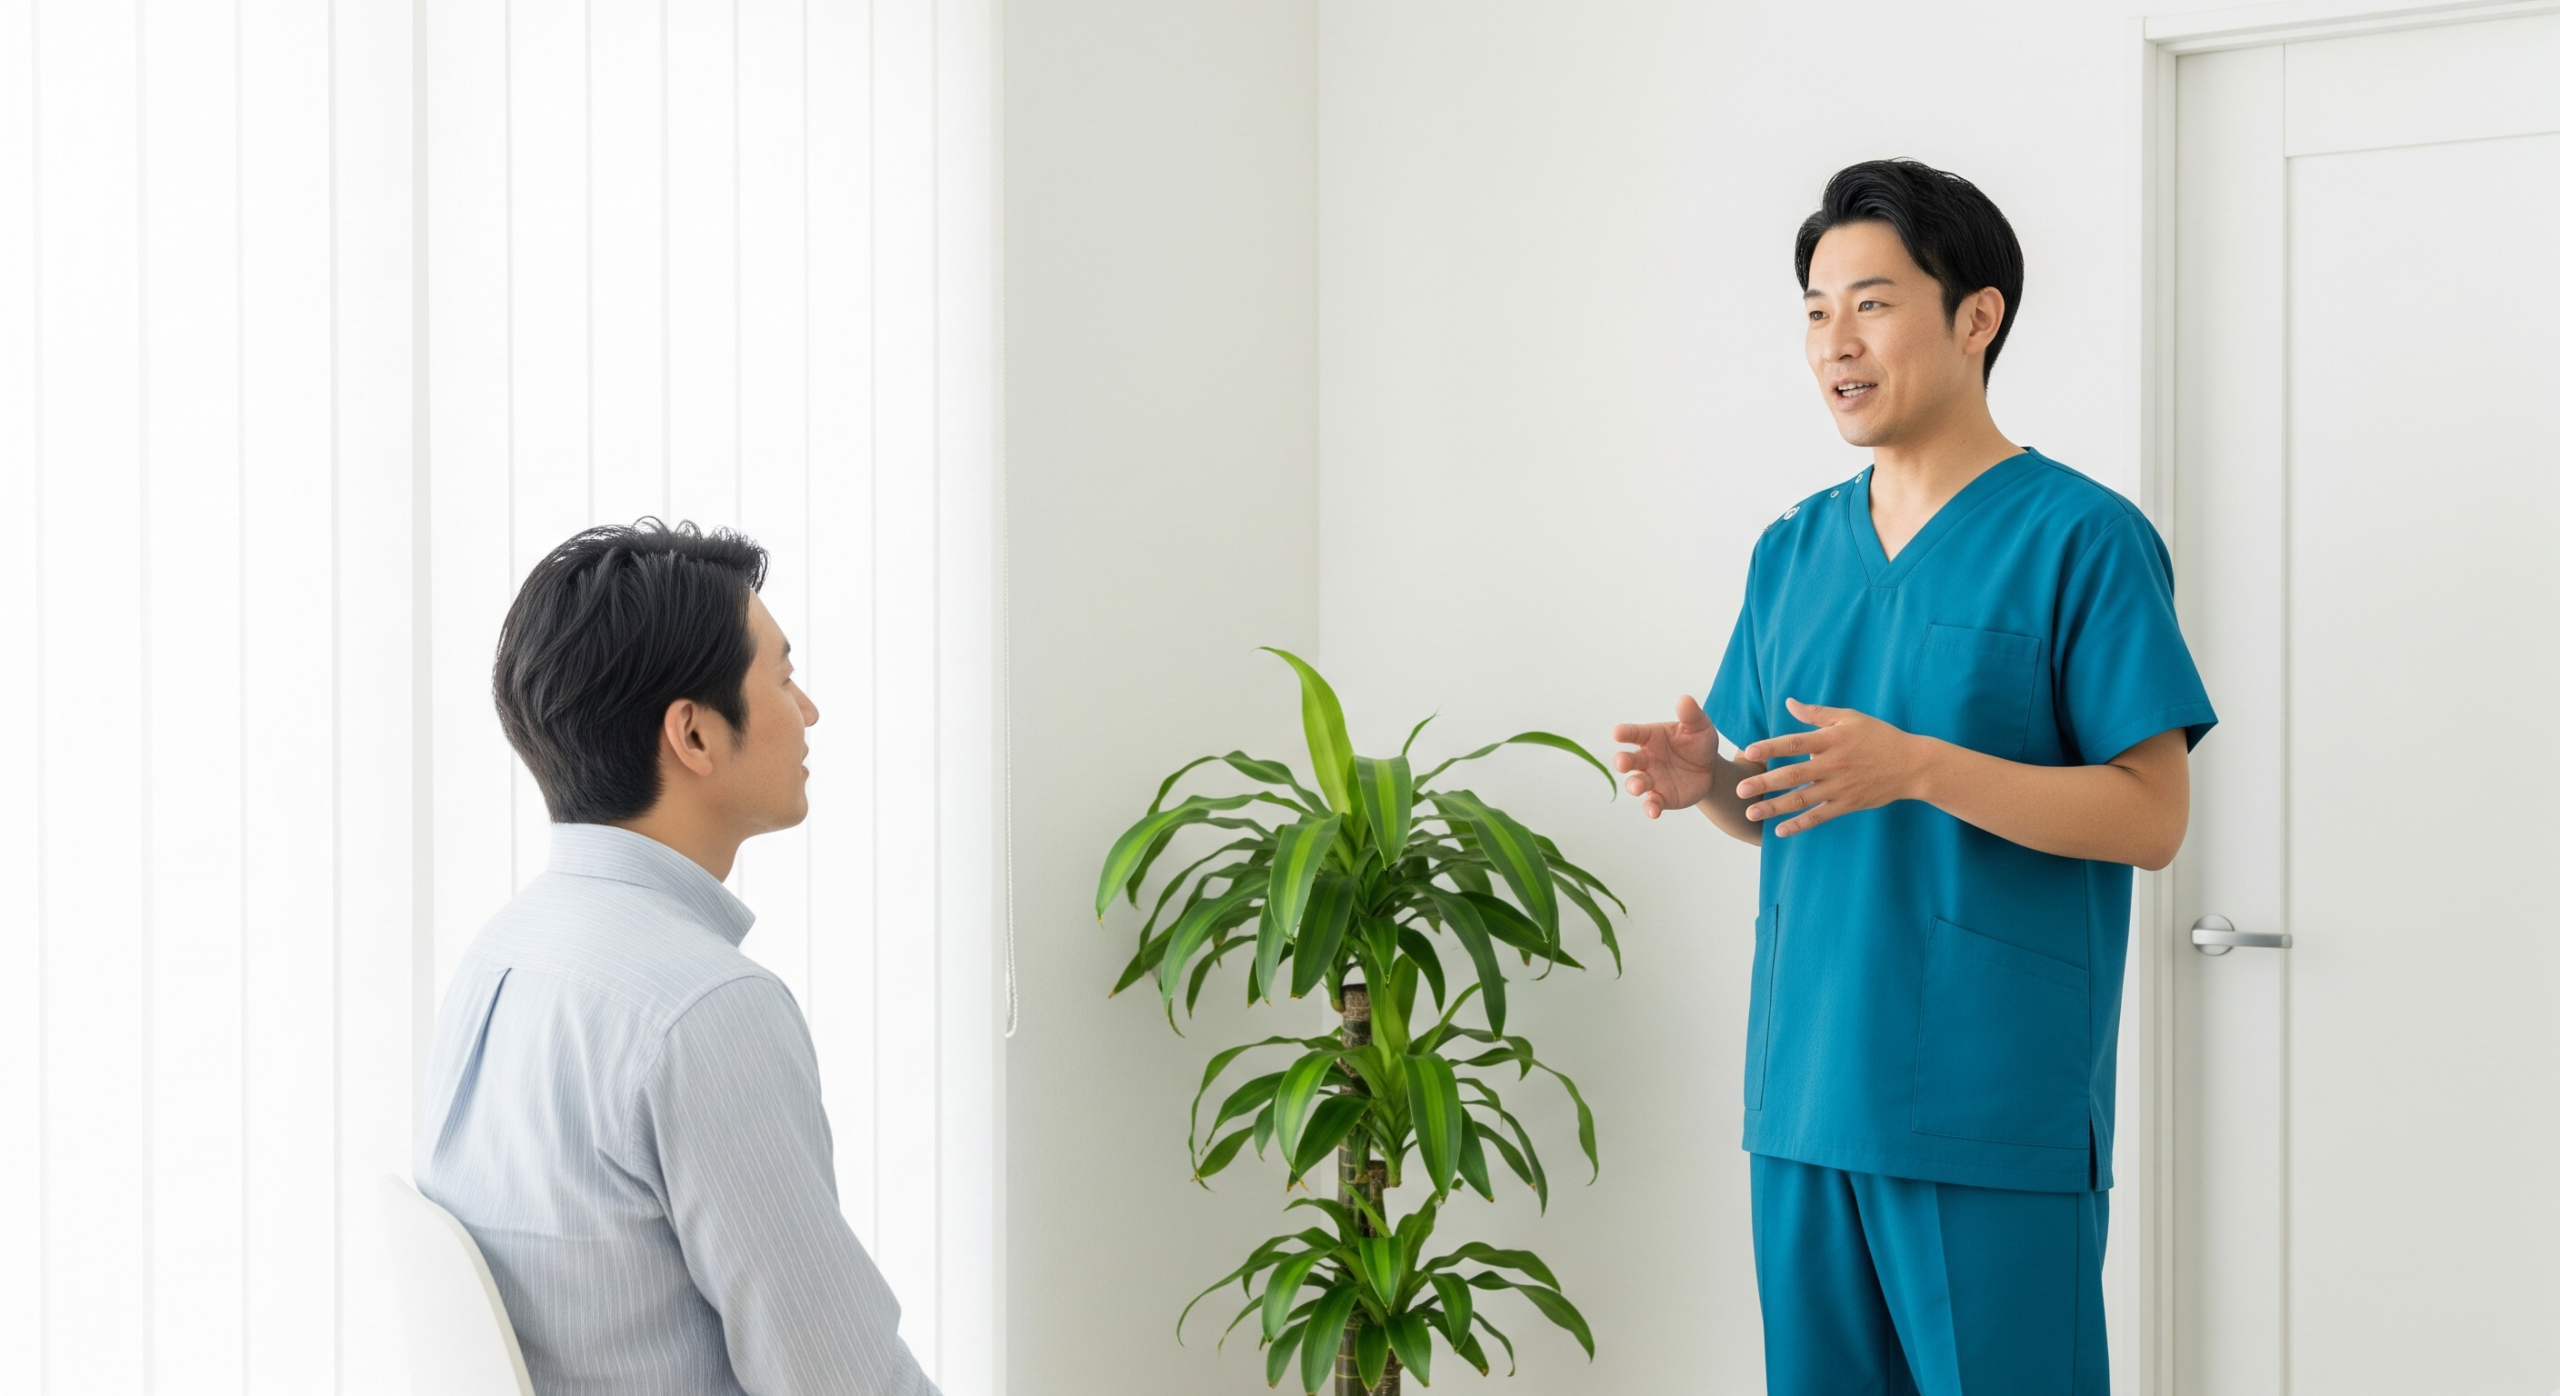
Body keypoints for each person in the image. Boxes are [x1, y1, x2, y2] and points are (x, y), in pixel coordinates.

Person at [1612, 160, 2215, 1394]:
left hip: (1985, 1105)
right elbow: (1785, 803)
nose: (1835, 341)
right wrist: (1710, 779)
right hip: (1804, 1097)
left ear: (1975, 316)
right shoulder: (1792, 550)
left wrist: (1923, 767)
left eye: (1872, 304)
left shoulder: (2081, 539)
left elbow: (2152, 816)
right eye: (1816, 310)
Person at [416, 520, 937, 1396]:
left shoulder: (501, 955)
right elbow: (841, 1380)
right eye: (784, 677)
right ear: (693, 735)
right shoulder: (703, 1009)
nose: (808, 711)